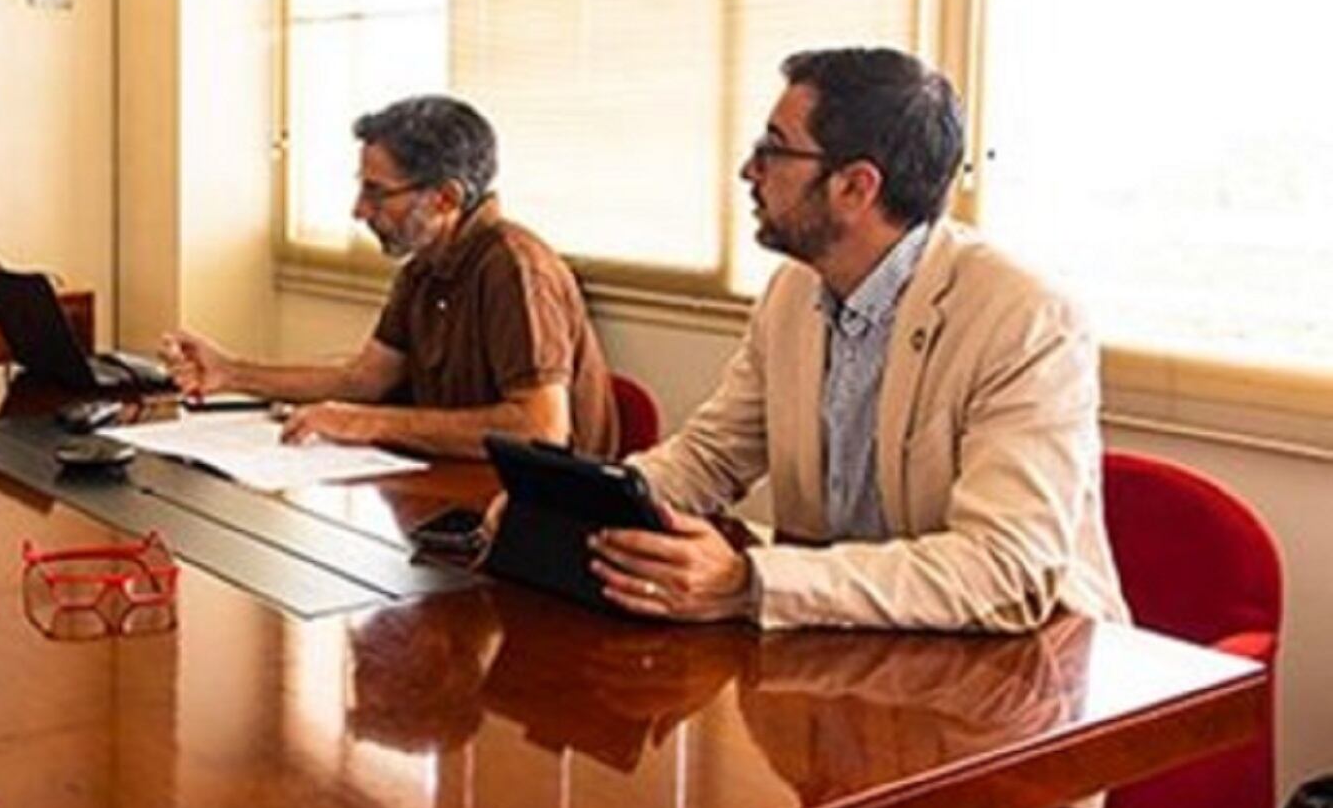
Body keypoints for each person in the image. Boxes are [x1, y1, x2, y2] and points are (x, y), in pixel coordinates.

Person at [580, 47, 1127, 632]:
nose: (749, 170)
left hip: (1020, 668)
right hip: (849, 646)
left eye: (773, 150)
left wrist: (750, 582)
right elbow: (711, 456)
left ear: (855, 187)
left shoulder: (1026, 317)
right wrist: (585, 505)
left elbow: (1002, 568)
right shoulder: (793, 291)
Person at [162, 94, 617, 459]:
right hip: (452, 490)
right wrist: (231, 373)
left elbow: (542, 429)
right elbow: (365, 380)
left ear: (445, 198)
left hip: (541, 520)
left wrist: (366, 422)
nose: (359, 211)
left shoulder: (515, 268)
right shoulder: (425, 265)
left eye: (377, 193)